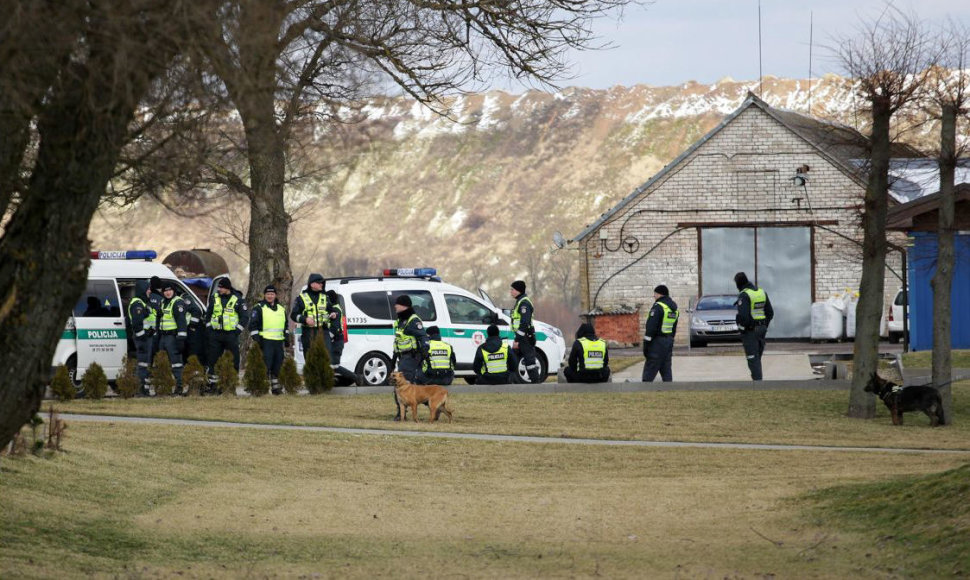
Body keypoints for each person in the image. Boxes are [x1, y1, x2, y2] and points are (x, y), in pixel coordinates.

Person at [391, 294, 429, 419]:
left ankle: (400, 414)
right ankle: (433, 405)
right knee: (414, 386)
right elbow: (399, 341)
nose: (395, 306)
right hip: (403, 357)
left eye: (397, 304)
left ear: (404, 306)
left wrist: (424, 352)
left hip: (411, 357)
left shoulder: (413, 320)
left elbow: (423, 336)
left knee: (401, 386)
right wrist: (393, 358)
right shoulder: (400, 321)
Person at [734, 272, 774, 381]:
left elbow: (744, 317)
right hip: (761, 330)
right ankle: (758, 381)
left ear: (738, 284)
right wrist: (764, 326)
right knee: (757, 357)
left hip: (750, 332)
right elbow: (770, 312)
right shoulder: (761, 292)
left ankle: (758, 386)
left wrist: (742, 328)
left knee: (752, 358)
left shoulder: (744, 295)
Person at [206, 277, 248, 379]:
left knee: (233, 359)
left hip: (231, 335)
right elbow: (208, 315)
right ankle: (213, 385)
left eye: (221, 288)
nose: (219, 290)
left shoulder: (238, 300)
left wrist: (237, 331)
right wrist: (210, 329)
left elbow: (245, 317)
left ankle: (231, 384)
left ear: (227, 288)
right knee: (213, 360)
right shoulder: (214, 298)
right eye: (219, 288)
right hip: (215, 334)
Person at [250, 285, 288, 395]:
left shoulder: (281, 308)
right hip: (265, 341)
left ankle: (276, 388)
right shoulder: (259, 308)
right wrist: (257, 339)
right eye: (268, 294)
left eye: (272, 294)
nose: (270, 296)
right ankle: (263, 388)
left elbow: (285, 325)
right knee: (266, 365)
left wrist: (287, 338)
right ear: (264, 295)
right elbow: (253, 325)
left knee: (277, 365)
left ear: (275, 295)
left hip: (278, 342)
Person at [290, 273, 335, 362]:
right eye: (319, 283)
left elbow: (331, 310)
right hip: (308, 333)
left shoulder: (325, 297)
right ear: (312, 284)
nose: (321, 284)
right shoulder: (301, 298)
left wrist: (333, 314)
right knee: (311, 360)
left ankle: (324, 376)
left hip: (324, 331)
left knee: (327, 358)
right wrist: (305, 319)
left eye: (322, 283)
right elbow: (294, 315)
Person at [642, 284, 678, 382]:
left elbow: (651, 327)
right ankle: (668, 391)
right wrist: (670, 340)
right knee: (666, 370)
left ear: (659, 294)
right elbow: (673, 329)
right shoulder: (673, 309)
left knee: (649, 371)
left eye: (655, 294)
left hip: (657, 343)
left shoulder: (658, 307)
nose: (654, 296)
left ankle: (644, 391)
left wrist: (646, 344)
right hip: (668, 342)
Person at [157, 282, 188, 395]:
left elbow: (181, 322)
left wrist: (180, 339)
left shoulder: (178, 302)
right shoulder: (163, 302)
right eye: (165, 290)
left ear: (174, 291)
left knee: (176, 364)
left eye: (170, 290)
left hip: (173, 337)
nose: (168, 292)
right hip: (163, 336)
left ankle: (179, 388)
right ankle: (165, 388)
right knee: (162, 363)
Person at [127, 280, 156, 396]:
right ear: (143, 289)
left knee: (145, 363)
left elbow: (145, 321)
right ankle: (141, 390)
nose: (150, 291)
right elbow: (137, 323)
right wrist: (143, 336)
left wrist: (150, 330)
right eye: (148, 289)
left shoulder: (143, 302)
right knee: (142, 364)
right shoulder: (137, 304)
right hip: (142, 339)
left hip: (145, 337)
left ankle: (144, 388)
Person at [509, 280, 540, 383]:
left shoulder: (524, 303)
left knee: (530, 362)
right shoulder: (520, 301)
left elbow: (524, 323)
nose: (511, 291)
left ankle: (536, 384)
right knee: (513, 359)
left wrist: (517, 339)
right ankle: (512, 382)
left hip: (525, 337)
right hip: (522, 337)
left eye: (512, 289)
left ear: (518, 290)